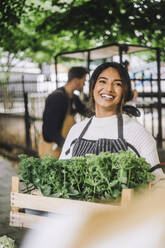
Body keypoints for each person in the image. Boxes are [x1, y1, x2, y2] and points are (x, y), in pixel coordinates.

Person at [59, 62, 165, 185]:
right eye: (102, 81)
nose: (109, 89)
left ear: (125, 92)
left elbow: (159, 183)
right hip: (76, 205)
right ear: (93, 87)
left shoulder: (137, 133)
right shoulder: (76, 131)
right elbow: (62, 176)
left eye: (117, 84)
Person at [38, 66, 89, 158]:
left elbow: (85, 112)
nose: (84, 84)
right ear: (76, 81)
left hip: (63, 146)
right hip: (53, 147)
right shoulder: (57, 98)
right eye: (84, 81)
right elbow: (49, 130)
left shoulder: (73, 98)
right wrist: (67, 146)